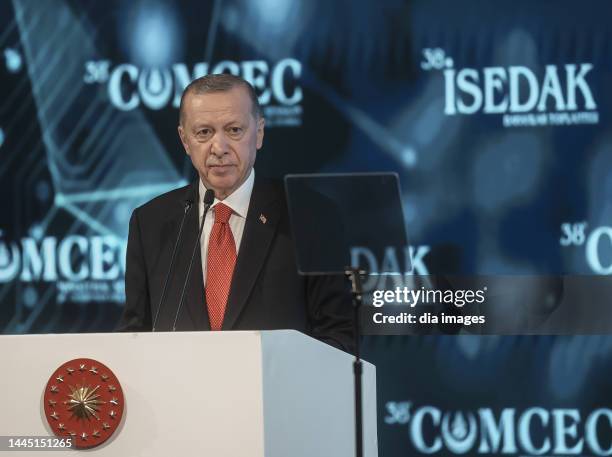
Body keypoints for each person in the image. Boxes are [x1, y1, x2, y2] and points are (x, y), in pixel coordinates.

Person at [118, 74, 354, 352]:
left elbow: (338, 336)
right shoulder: (151, 223)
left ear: (260, 133)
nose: (219, 148)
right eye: (204, 132)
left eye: (234, 130)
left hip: (278, 391)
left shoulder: (311, 218)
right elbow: (133, 338)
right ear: (184, 140)